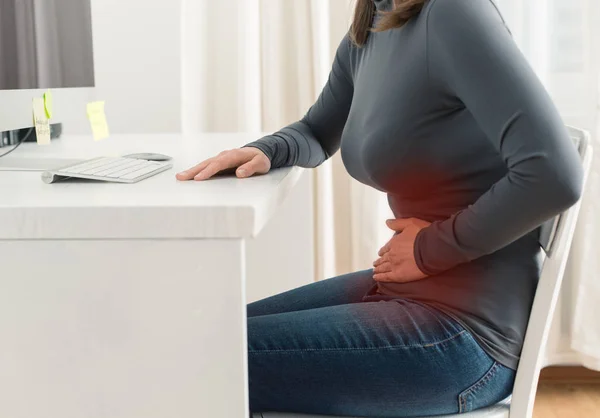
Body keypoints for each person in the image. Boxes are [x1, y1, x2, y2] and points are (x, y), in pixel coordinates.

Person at [177, 0, 584, 416]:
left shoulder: (453, 14)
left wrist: (431, 248)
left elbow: (554, 174)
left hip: (466, 334)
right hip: (407, 294)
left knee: (195, 360)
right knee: (201, 339)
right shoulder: (374, 22)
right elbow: (318, 130)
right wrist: (264, 151)